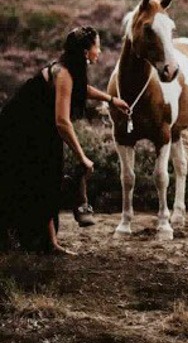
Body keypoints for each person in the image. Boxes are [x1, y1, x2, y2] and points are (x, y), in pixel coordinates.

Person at [0, 26, 130, 254]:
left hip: (40, 126)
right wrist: (83, 157)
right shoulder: (63, 73)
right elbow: (62, 121)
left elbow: (82, 89)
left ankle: (49, 244)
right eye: (96, 46)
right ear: (85, 51)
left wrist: (111, 99)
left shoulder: (72, 70)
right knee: (29, 180)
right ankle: (32, 242)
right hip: (19, 128)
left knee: (48, 178)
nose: (99, 51)